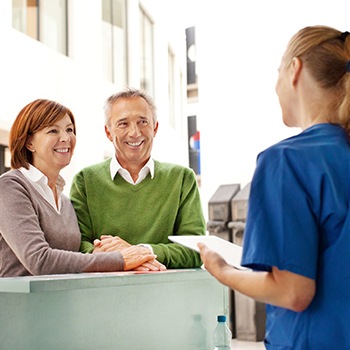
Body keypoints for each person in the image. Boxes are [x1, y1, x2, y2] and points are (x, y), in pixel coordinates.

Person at [198, 25, 350, 349]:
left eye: (277, 71)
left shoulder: (286, 161)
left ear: (294, 69)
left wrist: (222, 270)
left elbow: (293, 291)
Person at [0, 99, 158, 277]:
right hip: (18, 303)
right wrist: (121, 259)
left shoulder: (65, 202)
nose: (66, 138)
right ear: (29, 143)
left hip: (61, 302)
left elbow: (73, 259)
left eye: (69, 130)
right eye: (53, 130)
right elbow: (39, 260)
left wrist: (101, 253)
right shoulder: (10, 187)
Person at [70, 88, 205, 269]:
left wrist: (140, 251)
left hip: (167, 293)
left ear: (155, 127)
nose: (134, 132)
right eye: (123, 124)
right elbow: (79, 247)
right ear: (108, 132)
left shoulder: (182, 179)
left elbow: (196, 250)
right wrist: (125, 259)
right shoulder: (85, 180)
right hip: (104, 293)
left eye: (142, 122)